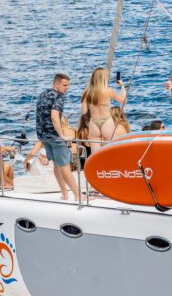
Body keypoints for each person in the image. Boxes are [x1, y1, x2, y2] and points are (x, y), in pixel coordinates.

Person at [36, 73, 80, 202]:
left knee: (56, 165)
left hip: (43, 136)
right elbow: (55, 116)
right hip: (54, 137)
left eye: (68, 85)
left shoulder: (42, 94)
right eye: (64, 85)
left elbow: (38, 113)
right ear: (56, 84)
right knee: (65, 167)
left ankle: (65, 194)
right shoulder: (59, 97)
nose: (67, 88)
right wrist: (61, 135)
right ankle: (78, 195)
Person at [81, 67, 127, 152]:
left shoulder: (87, 93)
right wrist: (122, 86)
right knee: (112, 150)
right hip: (106, 121)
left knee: (95, 153)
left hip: (93, 123)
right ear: (103, 79)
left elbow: (84, 112)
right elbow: (123, 101)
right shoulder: (108, 91)